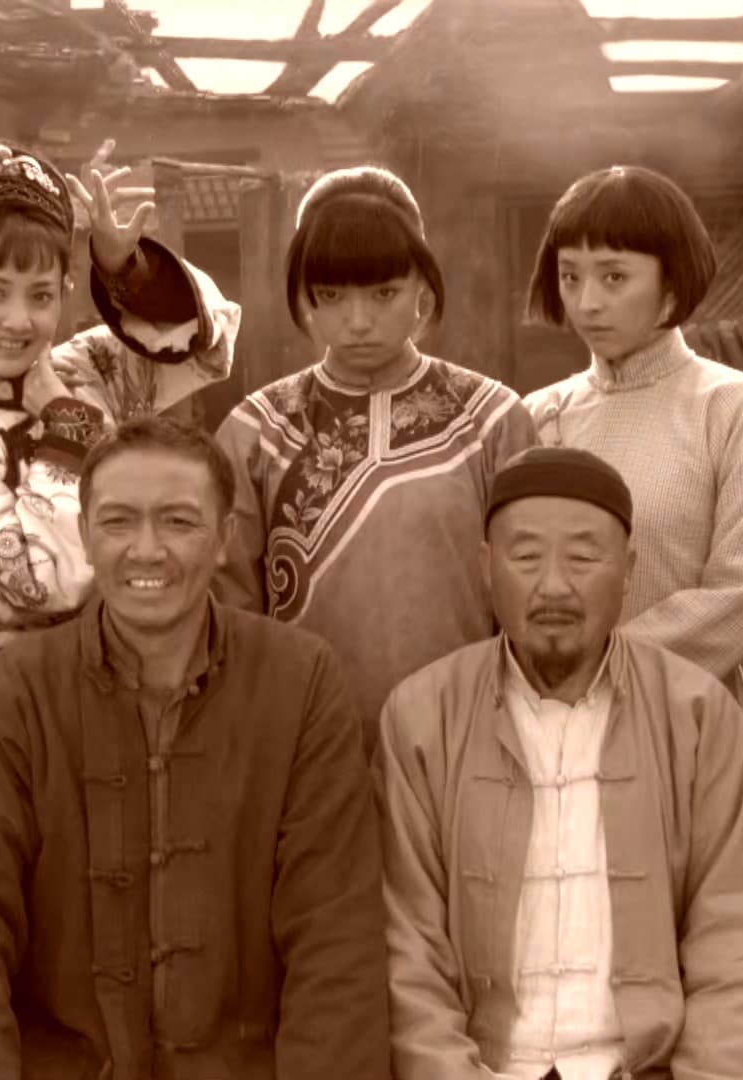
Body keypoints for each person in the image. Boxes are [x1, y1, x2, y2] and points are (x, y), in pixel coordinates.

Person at [0, 416, 389, 1077]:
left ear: (225, 538)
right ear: (85, 536)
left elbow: (334, 939)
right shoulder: (12, 696)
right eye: (117, 522)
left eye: (178, 522)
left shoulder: (299, 683)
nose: (146, 550)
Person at [379, 445, 743, 1079]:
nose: (554, 585)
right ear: (485, 567)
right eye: (526, 557)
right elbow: (406, 951)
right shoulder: (422, 718)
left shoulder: (696, 717)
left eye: (583, 557)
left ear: (629, 569)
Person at [0, 139, 237, 675]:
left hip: (160, 681)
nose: (19, 320)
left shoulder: (87, 368)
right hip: (27, 703)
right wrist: (67, 427)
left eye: (41, 295)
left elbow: (208, 348)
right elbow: (42, 584)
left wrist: (126, 268)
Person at [215, 165, 535, 736]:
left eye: (384, 293)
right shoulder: (258, 431)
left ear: (423, 289)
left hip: (467, 734)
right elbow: (229, 609)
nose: (358, 321)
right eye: (331, 295)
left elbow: (525, 589)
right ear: (306, 297)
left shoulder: (491, 420)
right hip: (304, 739)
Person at [521, 165, 743, 728]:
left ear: (672, 282)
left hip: (691, 724)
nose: (587, 302)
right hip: (551, 724)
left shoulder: (735, 407)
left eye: (614, 277)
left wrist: (598, 670)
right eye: (570, 276)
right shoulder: (538, 416)